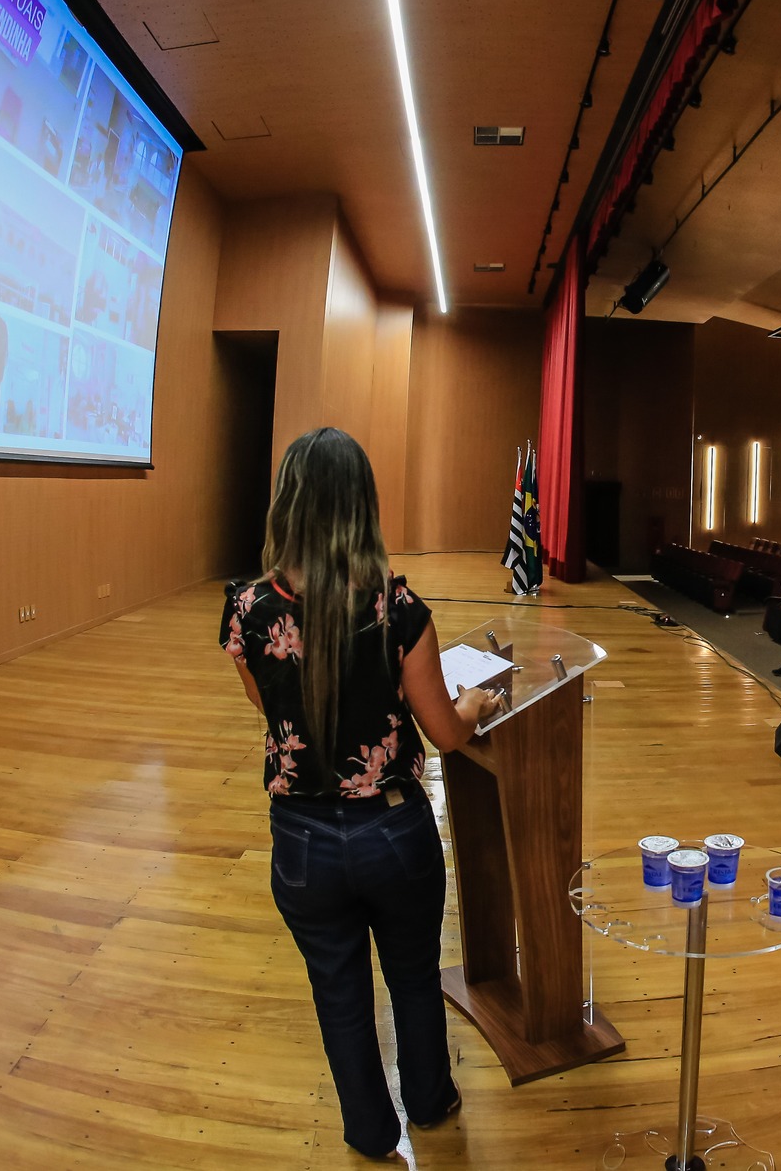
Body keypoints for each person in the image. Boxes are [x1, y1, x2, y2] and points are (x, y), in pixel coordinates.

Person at [220, 429, 496, 1159]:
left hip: (302, 842)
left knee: (337, 991)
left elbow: (272, 711)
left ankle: (371, 1134)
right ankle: (431, 1104)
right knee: (411, 974)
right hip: (394, 833)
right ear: (360, 507)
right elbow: (445, 734)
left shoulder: (245, 609)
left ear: (289, 502)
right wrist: (473, 702)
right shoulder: (396, 607)